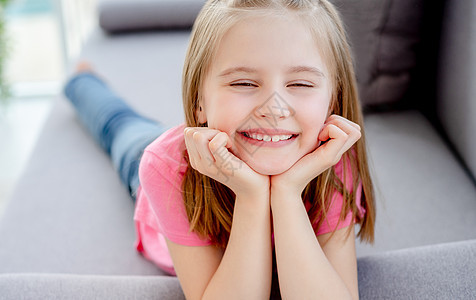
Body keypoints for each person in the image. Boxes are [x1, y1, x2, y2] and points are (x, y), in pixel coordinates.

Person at [64, 0, 375, 299]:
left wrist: (287, 191)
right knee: (120, 127)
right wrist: (252, 196)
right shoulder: (167, 165)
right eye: (244, 83)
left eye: (301, 84)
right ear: (200, 101)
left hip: (227, 137)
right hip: (176, 155)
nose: (274, 109)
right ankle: (83, 81)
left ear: (333, 100)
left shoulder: (332, 156)